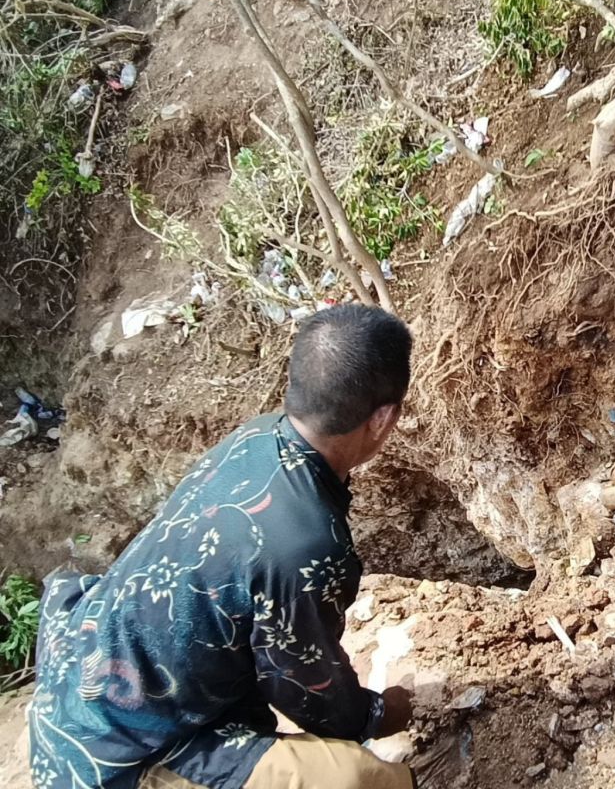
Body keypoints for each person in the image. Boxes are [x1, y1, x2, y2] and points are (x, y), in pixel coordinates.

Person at [30, 305, 418, 789]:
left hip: (83, 679)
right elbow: (310, 694)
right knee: (362, 779)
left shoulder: (253, 439)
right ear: (382, 419)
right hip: (119, 755)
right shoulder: (307, 546)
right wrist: (380, 713)